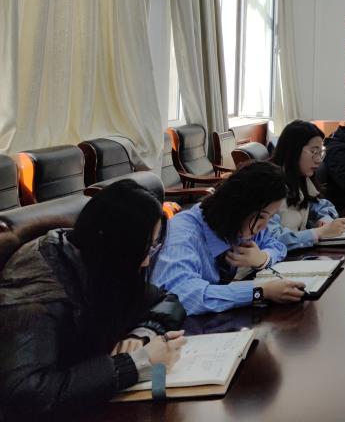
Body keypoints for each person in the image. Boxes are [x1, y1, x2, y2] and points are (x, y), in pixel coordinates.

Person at [0, 180, 186, 418]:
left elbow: (166, 300)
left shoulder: (96, 259)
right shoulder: (36, 296)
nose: (147, 261)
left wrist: (142, 333)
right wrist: (135, 363)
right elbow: (27, 394)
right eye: (145, 248)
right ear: (119, 244)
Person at [152, 162, 306, 315]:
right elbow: (184, 297)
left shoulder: (240, 224)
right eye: (262, 217)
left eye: (270, 217)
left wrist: (263, 259)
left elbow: (276, 244)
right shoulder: (182, 235)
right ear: (238, 207)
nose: (264, 226)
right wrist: (260, 291)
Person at [267, 120, 345, 250]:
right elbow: (273, 239)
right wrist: (318, 233)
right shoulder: (269, 185)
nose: (318, 160)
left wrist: (325, 220)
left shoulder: (300, 179)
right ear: (294, 150)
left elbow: (322, 205)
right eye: (314, 152)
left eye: (320, 153)